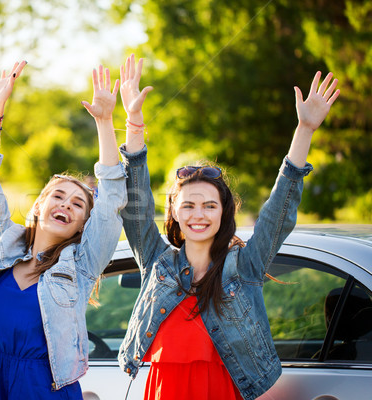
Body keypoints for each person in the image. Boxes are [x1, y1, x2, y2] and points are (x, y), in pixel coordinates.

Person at [117, 55, 340, 400]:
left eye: (209, 205)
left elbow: (278, 212)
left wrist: (305, 130)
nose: (199, 215)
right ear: (174, 212)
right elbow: (136, 206)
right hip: (164, 390)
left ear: (224, 212)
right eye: (188, 205)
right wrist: (133, 122)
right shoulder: (157, 262)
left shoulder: (244, 268)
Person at [0, 64, 128, 399]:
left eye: (78, 204)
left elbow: (112, 197)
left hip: (49, 389)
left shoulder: (81, 265)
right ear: (38, 206)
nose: (66, 205)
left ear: (84, 224)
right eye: (58, 196)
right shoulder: (6, 244)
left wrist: (104, 122)